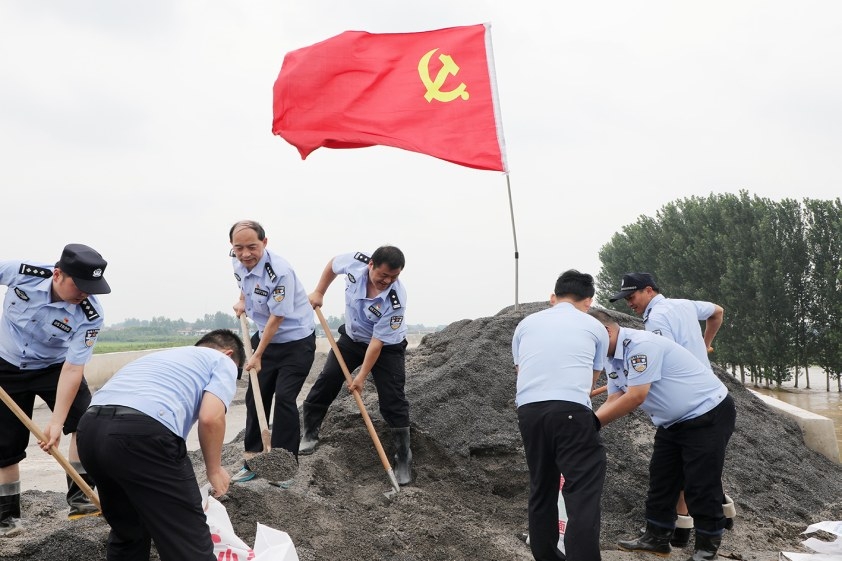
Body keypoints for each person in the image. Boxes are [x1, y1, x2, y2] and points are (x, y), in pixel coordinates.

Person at [71, 329, 245, 561]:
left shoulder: (163, 357)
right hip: (140, 434)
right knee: (187, 540)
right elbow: (211, 418)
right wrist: (214, 469)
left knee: (129, 532)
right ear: (229, 353)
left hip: (90, 430)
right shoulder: (222, 361)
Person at [589, 308, 736, 561]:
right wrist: (590, 424)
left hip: (707, 414)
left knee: (700, 483)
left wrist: (590, 425)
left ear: (605, 332)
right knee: (662, 479)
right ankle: (656, 538)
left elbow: (636, 396)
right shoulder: (612, 357)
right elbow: (615, 397)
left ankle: (706, 549)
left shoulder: (641, 346)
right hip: (672, 423)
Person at [0, 243, 110, 535]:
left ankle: (82, 499)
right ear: (58, 274)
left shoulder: (90, 314)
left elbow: (73, 369)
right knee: (5, 442)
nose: (85, 293)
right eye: (80, 285)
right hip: (6, 364)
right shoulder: (22, 273)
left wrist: (57, 422)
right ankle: (7, 517)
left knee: (85, 422)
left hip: (55, 367)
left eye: (91, 287)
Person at [513, 270, 609, 561]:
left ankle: (546, 556)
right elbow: (590, 381)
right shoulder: (595, 327)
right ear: (588, 301)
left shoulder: (526, 324)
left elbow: (521, 371)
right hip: (571, 410)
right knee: (582, 491)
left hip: (529, 411)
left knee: (542, 486)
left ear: (553, 297)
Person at [298, 246, 413, 485]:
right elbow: (332, 264)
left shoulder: (395, 300)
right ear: (371, 265)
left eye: (394, 277)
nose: (387, 281)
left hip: (386, 347)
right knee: (328, 378)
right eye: (383, 275)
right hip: (352, 338)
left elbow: (377, 344)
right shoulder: (354, 262)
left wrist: (361, 377)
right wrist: (319, 291)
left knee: (393, 398)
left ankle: (403, 458)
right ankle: (309, 434)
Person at [228, 220, 316, 484]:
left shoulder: (280, 272)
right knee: (256, 397)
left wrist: (257, 355)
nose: (245, 254)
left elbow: (277, 319)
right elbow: (244, 284)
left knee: (285, 398)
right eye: (239, 248)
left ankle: (285, 467)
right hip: (266, 336)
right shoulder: (236, 261)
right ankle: (254, 459)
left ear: (264, 243)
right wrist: (242, 300)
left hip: (295, 342)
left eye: (252, 247)